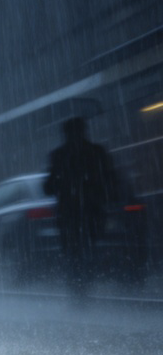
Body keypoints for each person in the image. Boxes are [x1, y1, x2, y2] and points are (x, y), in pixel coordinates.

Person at [43, 116, 117, 298]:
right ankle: (86, 283)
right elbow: (110, 180)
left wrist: (61, 186)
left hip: (69, 214)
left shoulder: (59, 155)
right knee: (88, 248)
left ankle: (78, 288)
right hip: (92, 211)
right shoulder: (97, 152)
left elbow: (48, 187)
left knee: (72, 253)